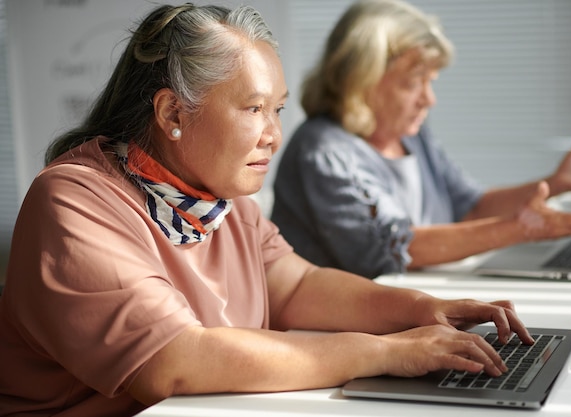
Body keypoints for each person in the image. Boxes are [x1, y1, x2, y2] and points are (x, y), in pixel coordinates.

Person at [0, 3, 535, 416]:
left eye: (277, 110)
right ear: (171, 112)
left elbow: (297, 286)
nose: (275, 136)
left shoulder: (218, 199)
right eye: (254, 109)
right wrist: (387, 352)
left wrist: (420, 309)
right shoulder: (73, 202)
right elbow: (173, 362)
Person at [271, 0, 571, 279]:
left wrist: (555, 184)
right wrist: (518, 229)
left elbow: (469, 207)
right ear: (360, 81)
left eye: (431, 81)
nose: (429, 99)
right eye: (413, 83)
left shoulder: (411, 133)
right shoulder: (323, 151)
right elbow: (395, 250)